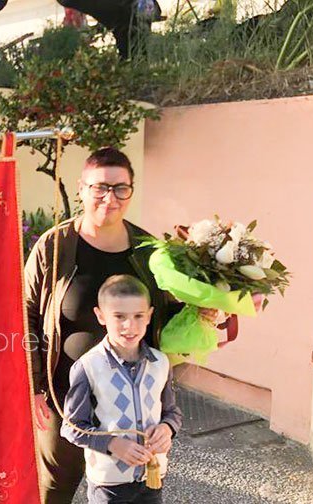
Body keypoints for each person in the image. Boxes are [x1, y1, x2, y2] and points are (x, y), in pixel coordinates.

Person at [25, 147, 179, 502]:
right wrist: (33, 385)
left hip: (130, 397)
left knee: (124, 488)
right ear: (81, 189)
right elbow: (26, 313)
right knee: (56, 487)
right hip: (63, 394)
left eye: (120, 188)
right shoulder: (54, 247)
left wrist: (207, 315)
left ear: (131, 191)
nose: (109, 198)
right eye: (99, 187)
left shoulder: (148, 252)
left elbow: (168, 316)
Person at [61, 275, 182, 503]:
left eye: (138, 316)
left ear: (149, 316)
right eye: (119, 317)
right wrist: (112, 444)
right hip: (109, 485)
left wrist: (167, 429)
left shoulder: (161, 362)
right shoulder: (88, 367)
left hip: (152, 476)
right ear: (101, 316)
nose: (130, 326)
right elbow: (72, 427)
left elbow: (172, 412)